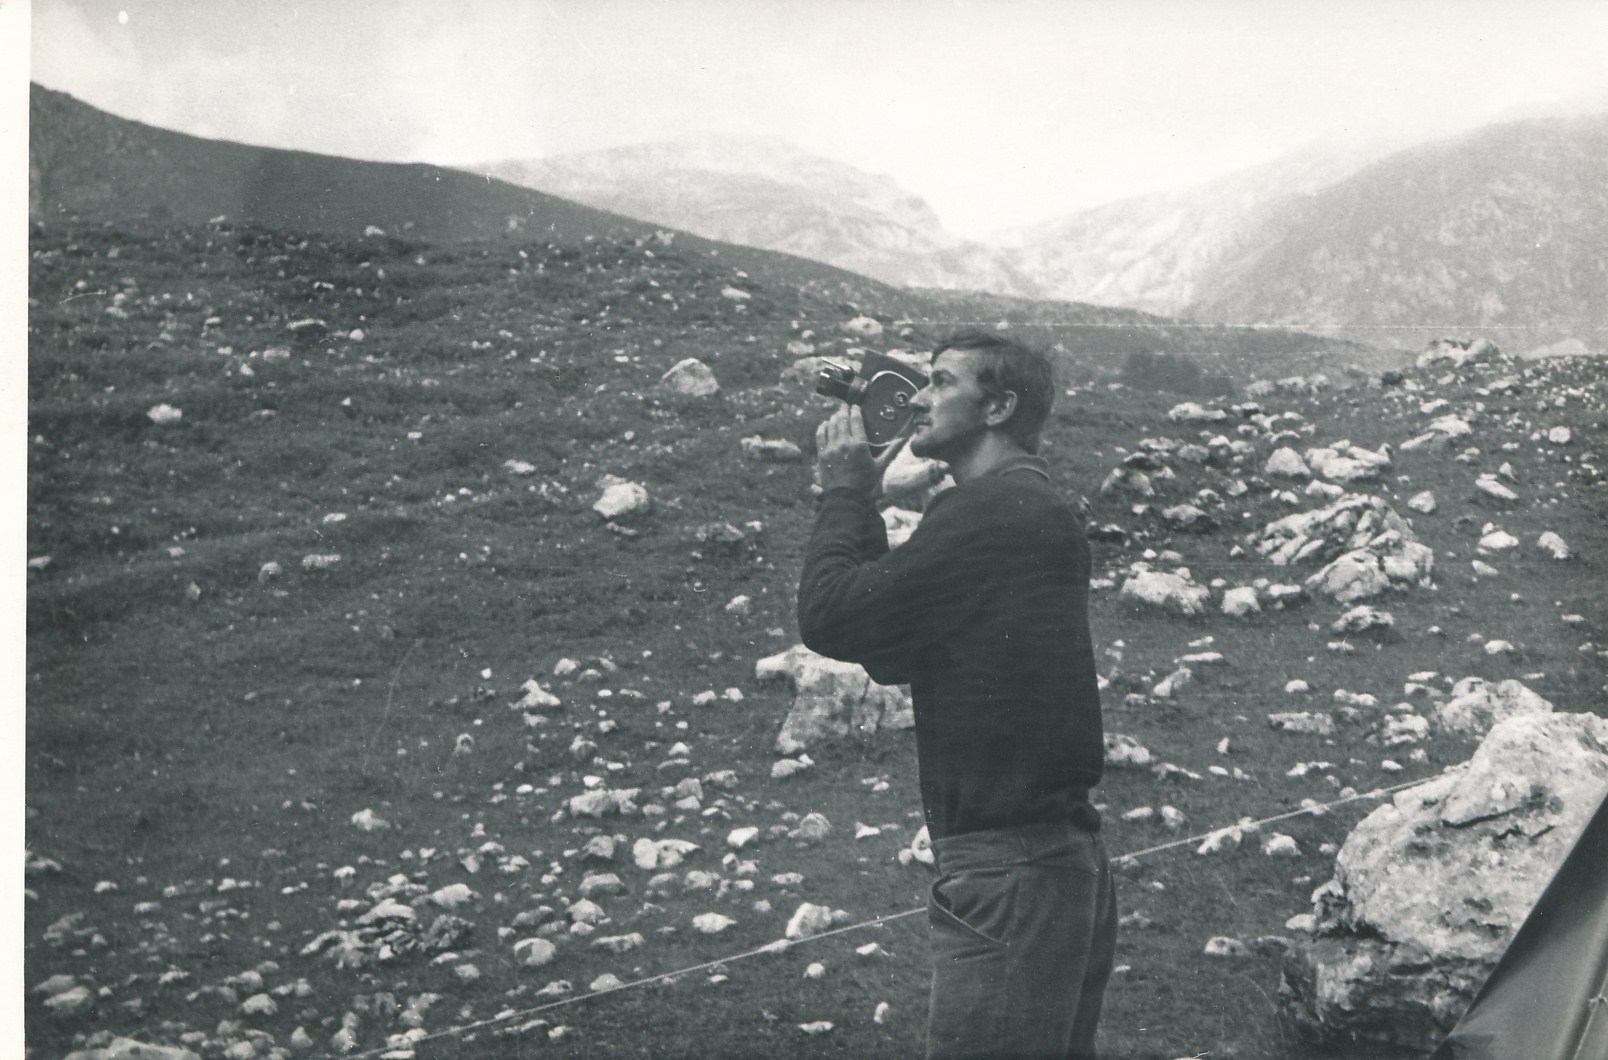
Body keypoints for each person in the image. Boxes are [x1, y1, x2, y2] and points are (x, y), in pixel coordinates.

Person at [797, 329, 1116, 1060]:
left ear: (998, 407)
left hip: (1010, 873)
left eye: (941, 382)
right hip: (1046, 865)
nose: (917, 397)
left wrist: (844, 494)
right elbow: (891, 647)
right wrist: (862, 508)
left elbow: (831, 616)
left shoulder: (989, 511)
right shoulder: (1022, 506)